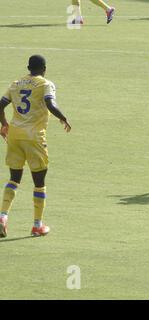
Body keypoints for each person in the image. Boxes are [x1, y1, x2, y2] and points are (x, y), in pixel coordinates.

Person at [0, 55, 71, 238]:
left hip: (14, 135)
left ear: (28, 67)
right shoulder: (45, 84)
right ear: (44, 68)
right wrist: (62, 117)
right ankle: (37, 225)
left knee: (14, 178)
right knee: (39, 182)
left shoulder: (16, 83)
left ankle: (2, 217)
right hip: (34, 138)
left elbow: (1, 104)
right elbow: (50, 103)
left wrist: (4, 124)